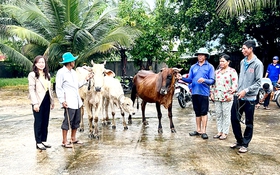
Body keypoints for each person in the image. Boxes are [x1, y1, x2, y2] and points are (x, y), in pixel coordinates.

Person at [230, 40, 263, 153]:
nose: (242, 50)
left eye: (244, 48)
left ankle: (245, 144)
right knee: (234, 119)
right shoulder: (242, 62)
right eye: (242, 48)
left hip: (250, 99)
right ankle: (239, 141)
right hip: (239, 96)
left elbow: (259, 83)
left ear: (251, 49)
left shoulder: (257, 64)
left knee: (249, 122)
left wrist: (246, 90)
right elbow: (241, 78)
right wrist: (237, 88)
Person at [177, 48, 215, 139]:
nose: (200, 56)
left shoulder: (210, 67)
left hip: (204, 93)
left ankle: (204, 131)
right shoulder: (193, 67)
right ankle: (198, 130)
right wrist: (181, 78)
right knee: (197, 112)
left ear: (205, 56)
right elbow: (190, 80)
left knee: (204, 112)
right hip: (194, 92)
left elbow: (212, 81)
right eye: (198, 55)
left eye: (202, 55)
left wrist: (204, 80)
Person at [55, 52, 91, 148]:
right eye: (73, 60)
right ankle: (64, 141)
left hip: (77, 100)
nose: (74, 62)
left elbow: (77, 85)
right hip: (68, 101)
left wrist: (86, 80)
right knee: (68, 121)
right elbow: (58, 87)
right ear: (69, 62)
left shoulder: (73, 73)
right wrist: (62, 100)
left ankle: (73, 138)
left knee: (76, 120)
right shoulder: (61, 73)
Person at [28, 55, 54, 150]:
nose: (41, 64)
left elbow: (49, 89)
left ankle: (44, 140)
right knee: (38, 121)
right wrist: (35, 103)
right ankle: (38, 141)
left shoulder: (47, 74)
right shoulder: (32, 75)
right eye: (39, 62)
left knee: (45, 121)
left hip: (47, 99)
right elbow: (32, 89)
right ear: (35, 63)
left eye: (43, 62)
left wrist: (52, 101)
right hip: (38, 100)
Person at [210, 54, 238, 140]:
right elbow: (213, 84)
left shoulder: (232, 71)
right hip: (217, 96)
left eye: (223, 61)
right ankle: (219, 131)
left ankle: (225, 132)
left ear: (228, 62)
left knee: (226, 115)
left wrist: (231, 94)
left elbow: (235, 84)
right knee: (218, 114)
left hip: (227, 97)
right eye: (220, 61)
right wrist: (211, 93)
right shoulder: (216, 72)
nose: (221, 63)